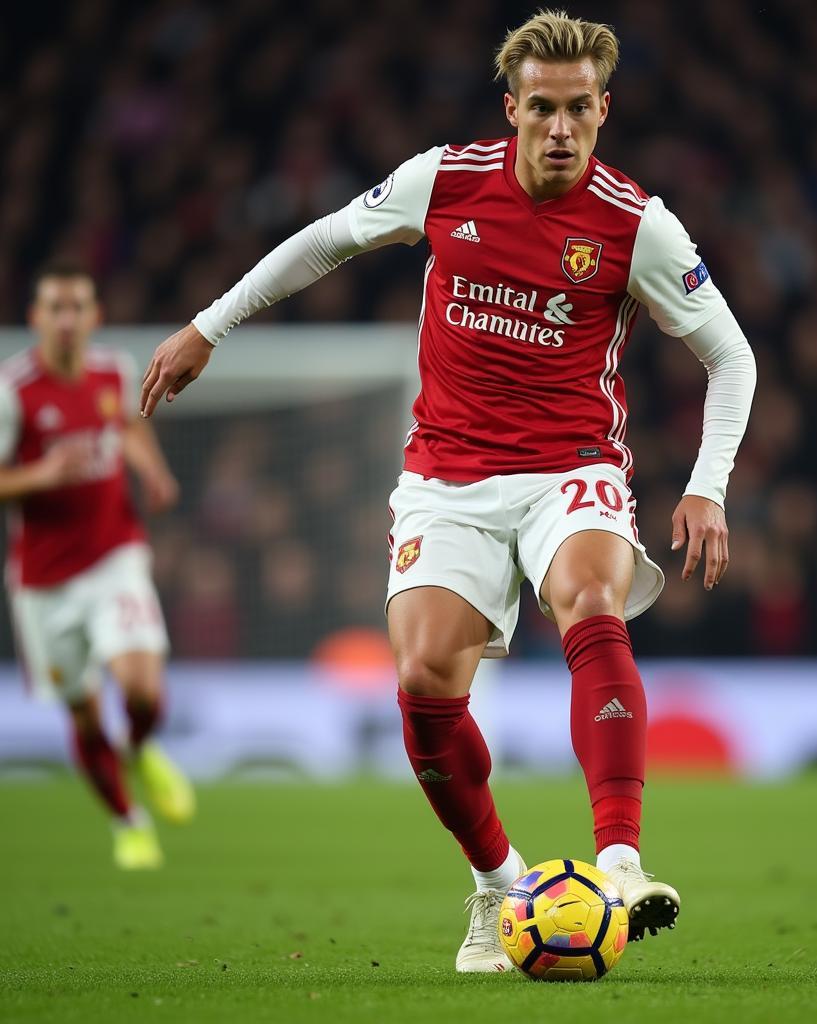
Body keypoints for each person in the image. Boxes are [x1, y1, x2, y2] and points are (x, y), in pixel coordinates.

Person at [140, 11, 755, 968]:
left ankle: (622, 861)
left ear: (604, 111)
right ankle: (497, 884)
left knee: (593, 599)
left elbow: (732, 355)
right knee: (426, 682)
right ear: (511, 108)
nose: (561, 128)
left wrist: (708, 486)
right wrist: (209, 327)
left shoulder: (638, 223)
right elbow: (325, 240)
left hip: (571, 468)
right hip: (447, 475)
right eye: (542, 108)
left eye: (580, 110)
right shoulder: (443, 180)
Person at [0, 262, 194, 869]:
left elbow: (126, 426)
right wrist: (41, 474)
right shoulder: (14, 391)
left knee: (142, 691)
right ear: (35, 318)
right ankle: (127, 821)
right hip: (43, 580)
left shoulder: (112, 369)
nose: (66, 319)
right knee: (84, 716)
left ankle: (138, 749)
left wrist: (152, 468)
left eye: (76, 307)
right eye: (54, 307)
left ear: (94, 316)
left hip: (114, 556)